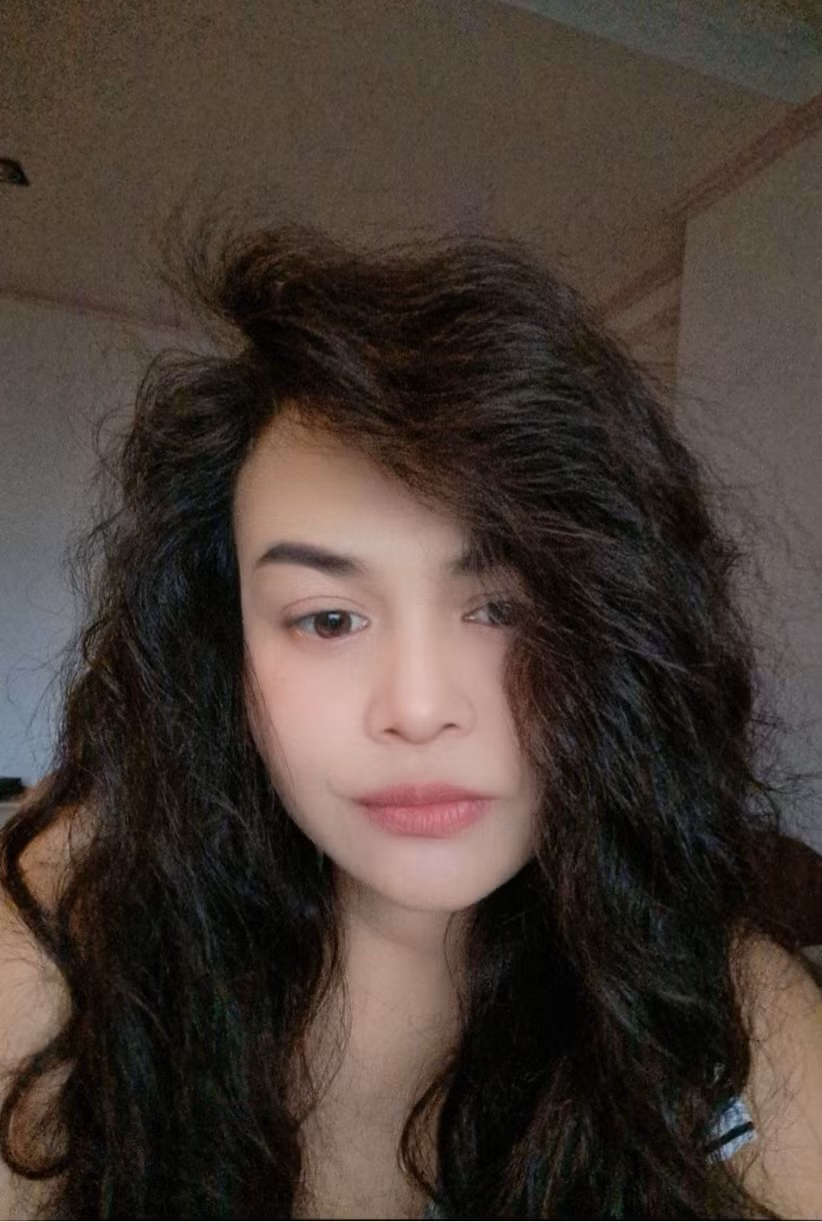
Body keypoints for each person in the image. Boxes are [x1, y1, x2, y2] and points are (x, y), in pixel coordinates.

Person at [1, 216, 821, 1221]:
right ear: (227, 657)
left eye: (503, 608)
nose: (420, 709)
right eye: (329, 619)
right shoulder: (66, 972)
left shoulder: (728, 1021)